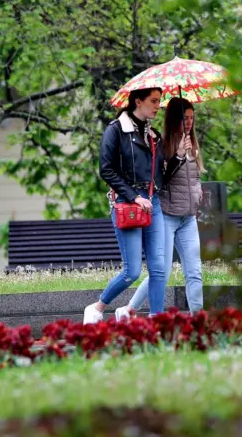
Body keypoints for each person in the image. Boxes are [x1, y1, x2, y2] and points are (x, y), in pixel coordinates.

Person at [84, 87, 186, 324]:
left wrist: (179, 157)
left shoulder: (155, 136)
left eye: (159, 101)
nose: (157, 106)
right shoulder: (116, 130)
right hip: (128, 202)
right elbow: (106, 169)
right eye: (153, 101)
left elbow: (161, 177)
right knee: (132, 272)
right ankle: (97, 308)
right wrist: (133, 196)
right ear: (137, 102)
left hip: (153, 202)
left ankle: (157, 319)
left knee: (159, 268)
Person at [115, 97, 205, 321]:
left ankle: (199, 319)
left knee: (194, 272)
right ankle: (128, 309)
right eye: (185, 118)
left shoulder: (192, 144)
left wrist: (198, 192)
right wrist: (179, 156)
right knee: (161, 272)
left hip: (188, 217)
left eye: (192, 118)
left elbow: (194, 178)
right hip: (166, 215)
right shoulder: (161, 144)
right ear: (175, 119)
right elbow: (161, 180)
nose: (189, 123)